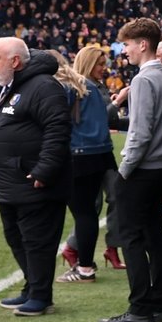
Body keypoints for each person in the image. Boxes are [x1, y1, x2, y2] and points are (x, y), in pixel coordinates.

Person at [99, 18, 162, 322]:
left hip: (143, 169)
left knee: (131, 237)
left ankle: (140, 309)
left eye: (128, 44)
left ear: (142, 44)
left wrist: (124, 171)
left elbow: (141, 133)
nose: (125, 50)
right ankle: (157, 305)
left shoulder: (145, 79)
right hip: (161, 168)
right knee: (154, 235)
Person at [0, 36, 70, 317]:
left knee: (37, 241)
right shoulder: (7, 88)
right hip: (8, 181)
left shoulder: (44, 87)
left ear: (15, 61)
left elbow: (57, 131)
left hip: (33, 182)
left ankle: (41, 296)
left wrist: (45, 170)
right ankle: (31, 287)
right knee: (16, 238)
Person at [58, 47, 118, 283]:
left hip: (80, 155)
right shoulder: (92, 88)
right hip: (99, 155)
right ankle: (85, 264)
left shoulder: (76, 87)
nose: (104, 68)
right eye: (99, 64)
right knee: (88, 213)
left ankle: (84, 267)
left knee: (83, 213)